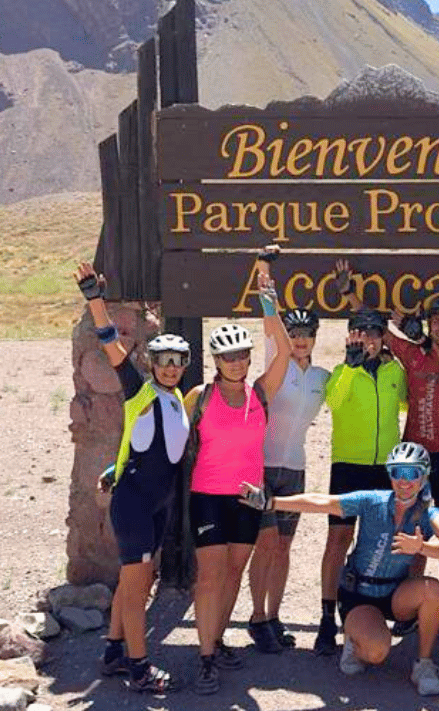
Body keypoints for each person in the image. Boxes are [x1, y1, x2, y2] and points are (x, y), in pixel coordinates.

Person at [239, 443, 439, 696]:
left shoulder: (426, 512)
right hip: (359, 595)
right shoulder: (372, 501)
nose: (404, 480)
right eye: (396, 471)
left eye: (412, 473)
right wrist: (271, 502)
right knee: (377, 653)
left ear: (424, 476)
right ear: (389, 474)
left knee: (433, 591)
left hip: (395, 594)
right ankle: (355, 640)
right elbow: (321, 501)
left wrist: (427, 545)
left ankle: (424, 664)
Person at [336, 260, 439, 634]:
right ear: (430, 325)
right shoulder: (411, 355)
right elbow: (372, 325)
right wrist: (350, 294)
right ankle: (411, 602)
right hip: (414, 459)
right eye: (438, 321)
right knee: (411, 529)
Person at [183, 251, 292, 695]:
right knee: (210, 575)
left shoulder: (260, 393)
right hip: (208, 495)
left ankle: (217, 638)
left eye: (241, 355)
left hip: (249, 497)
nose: (235, 362)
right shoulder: (199, 396)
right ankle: (205, 658)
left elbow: (284, 349)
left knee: (232, 573)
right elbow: (172, 437)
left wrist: (267, 293)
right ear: (216, 359)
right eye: (227, 356)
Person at [75, 263, 187, 694]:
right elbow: (109, 344)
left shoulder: (176, 398)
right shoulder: (140, 391)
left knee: (132, 580)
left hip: (154, 503)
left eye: (179, 361)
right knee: (138, 587)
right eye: (164, 361)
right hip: (136, 505)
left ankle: (114, 650)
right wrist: (95, 301)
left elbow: (137, 446)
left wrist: (112, 469)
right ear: (152, 363)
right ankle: (139, 669)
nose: (172, 368)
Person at [315, 307, 408, 655]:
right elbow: (334, 403)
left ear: (383, 336)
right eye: (360, 333)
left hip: (385, 468)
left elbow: (406, 403)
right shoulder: (341, 371)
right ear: (350, 336)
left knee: (381, 542)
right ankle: (327, 616)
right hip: (349, 467)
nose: (368, 339)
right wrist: (352, 369)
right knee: (338, 541)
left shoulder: (393, 371)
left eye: (374, 332)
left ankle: (373, 611)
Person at [247, 308, 329, 653]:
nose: (299, 340)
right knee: (264, 545)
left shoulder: (324, 377)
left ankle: (274, 616)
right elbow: (270, 329)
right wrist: (268, 294)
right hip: (263, 467)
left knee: (283, 547)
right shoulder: (277, 364)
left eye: (306, 333)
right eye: (293, 333)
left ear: (315, 337)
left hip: (295, 469)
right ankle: (257, 616)